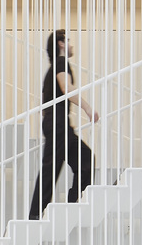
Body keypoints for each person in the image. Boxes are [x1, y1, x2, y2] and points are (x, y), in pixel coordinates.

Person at [28, 29, 99, 219]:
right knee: (50, 169)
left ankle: (73, 205)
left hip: (58, 123)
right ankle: (35, 216)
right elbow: (67, 87)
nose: (71, 45)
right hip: (58, 123)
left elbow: (44, 104)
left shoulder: (50, 72)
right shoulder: (61, 63)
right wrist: (87, 108)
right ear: (60, 43)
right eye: (68, 41)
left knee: (85, 160)